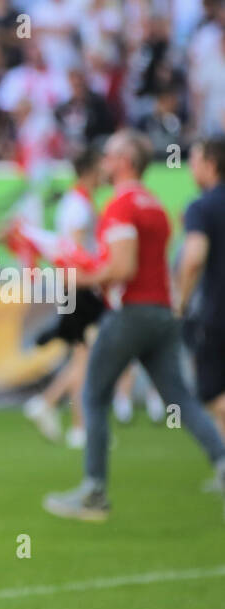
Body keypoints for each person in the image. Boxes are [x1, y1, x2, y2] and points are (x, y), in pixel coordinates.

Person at [44, 130, 225, 520]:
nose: (103, 164)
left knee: (93, 395)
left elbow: (123, 268)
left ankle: (94, 492)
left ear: (124, 161)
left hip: (131, 313)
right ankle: (223, 464)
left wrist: (80, 278)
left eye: (108, 156)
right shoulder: (155, 204)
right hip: (162, 313)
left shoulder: (120, 204)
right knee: (181, 397)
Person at [21, 146, 104, 449]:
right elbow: (76, 252)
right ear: (89, 171)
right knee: (86, 355)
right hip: (79, 286)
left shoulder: (76, 202)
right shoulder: (79, 206)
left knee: (82, 354)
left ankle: (76, 423)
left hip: (74, 285)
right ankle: (49, 402)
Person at [176, 136, 225, 447]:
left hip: (217, 314)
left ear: (210, 164)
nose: (191, 169)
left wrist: (179, 303)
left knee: (210, 393)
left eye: (194, 162)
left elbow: (193, 258)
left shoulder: (202, 207)